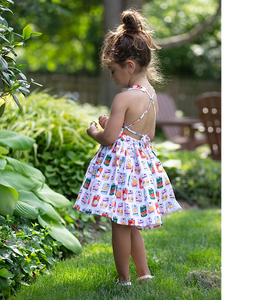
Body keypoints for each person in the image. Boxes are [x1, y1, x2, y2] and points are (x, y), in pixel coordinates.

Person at [73, 9, 182, 287]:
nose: (112, 77)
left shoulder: (124, 98)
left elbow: (110, 138)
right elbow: (147, 132)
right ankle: (144, 274)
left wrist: (95, 131)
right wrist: (118, 127)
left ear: (130, 66)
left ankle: (124, 279)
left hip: (121, 172)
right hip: (140, 166)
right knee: (130, 222)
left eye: (113, 71)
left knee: (119, 225)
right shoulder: (151, 95)